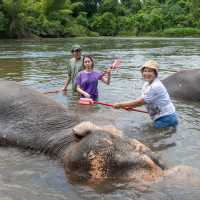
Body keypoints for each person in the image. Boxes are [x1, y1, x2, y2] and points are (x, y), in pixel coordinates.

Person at [113, 60, 178, 129]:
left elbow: (140, 102)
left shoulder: (155, 86)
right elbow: (141, 98)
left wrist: (120, 105)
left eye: (150, 71)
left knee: (151, 137)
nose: (147, 73)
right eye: (145, 71)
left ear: (155, 73)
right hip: (161, 117)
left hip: (166, 118)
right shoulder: (146, 84)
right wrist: (132, 106)